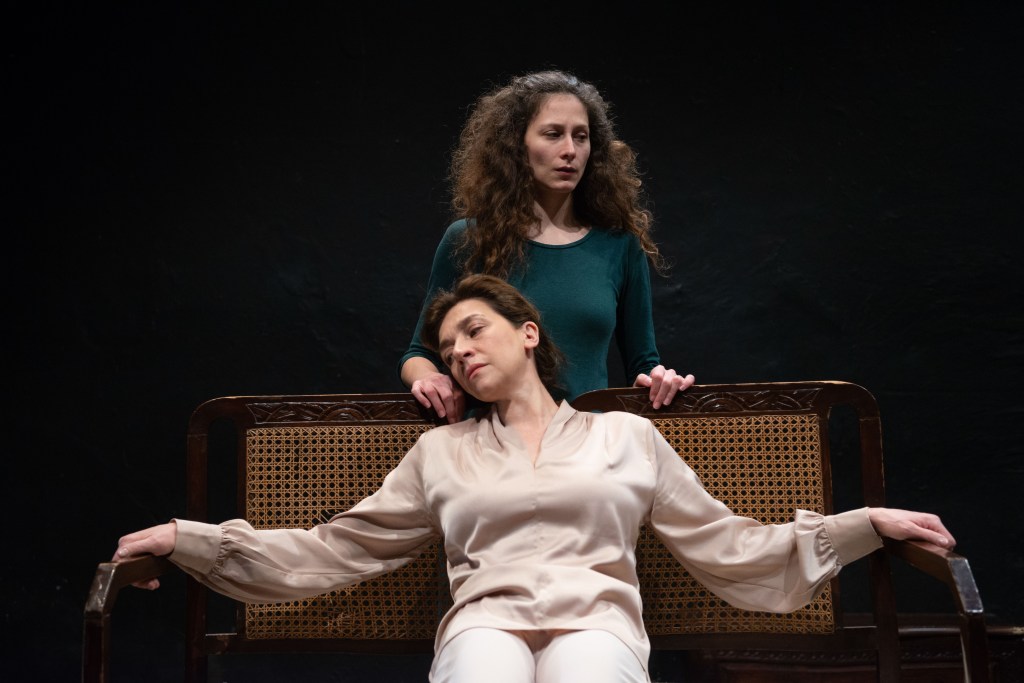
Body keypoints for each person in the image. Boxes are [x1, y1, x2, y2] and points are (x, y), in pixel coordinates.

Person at [115, 275, 956, 683]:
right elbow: (333, 548)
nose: (460, 351)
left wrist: (865, 523)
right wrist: (186, 539)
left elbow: (729, 542)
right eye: (449, 347)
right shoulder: (441, 453)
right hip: (486, 622)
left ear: (526, 333)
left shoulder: (627, 435)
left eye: (474, 330)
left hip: (599, 622)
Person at [400, 69, 694, 423]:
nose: (570, 150)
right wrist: (428, 378)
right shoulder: (469, 239)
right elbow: (419, 354)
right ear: (517, 145)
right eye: (553, 134)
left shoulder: (619, 246)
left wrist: (660, 380)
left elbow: (643, 364)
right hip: (492, 439)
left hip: (586, 441)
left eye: (581, 137)